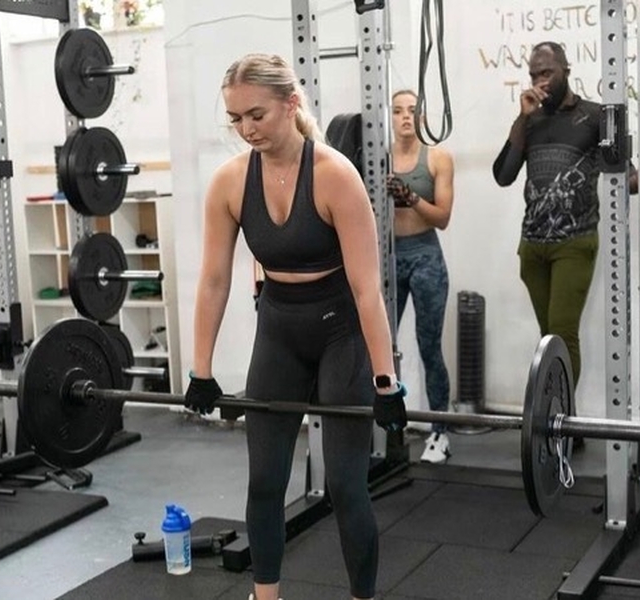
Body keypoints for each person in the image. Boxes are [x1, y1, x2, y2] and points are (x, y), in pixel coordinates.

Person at [183, 53, 407, 600]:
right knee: (264, 483)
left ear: (291, 103)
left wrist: (386, 381)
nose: (246, 129)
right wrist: (201, 370)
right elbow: (213, 280)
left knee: (346, 484)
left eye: (256, 114)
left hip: (341, 331)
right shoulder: (229, 183)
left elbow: (365, 289)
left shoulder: (335, 176)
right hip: (279, 329)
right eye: (236, 119)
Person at [492, 42, 638, 441]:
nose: (540, 80)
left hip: (575, 243)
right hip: (533, 246)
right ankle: (562, 421)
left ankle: (561, 424)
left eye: (547, 73)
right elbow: (503, 175)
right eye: (534, 73)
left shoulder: (592, 116)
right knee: (548, 339)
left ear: (566, 69)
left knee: (562, 332)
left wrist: (609, 172)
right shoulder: (531, 121)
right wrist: (521, 119)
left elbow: (632, 176)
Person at [387, 90, 455, 464]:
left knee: (429, 347)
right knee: (381, 349)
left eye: (412, 111)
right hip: (389, 258)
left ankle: (439, 433)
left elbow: (443, 217)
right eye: (398, 111)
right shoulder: (377, 156)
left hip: (426, 256)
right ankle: (388, 429)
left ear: (423, 116)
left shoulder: (438, 158)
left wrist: (409, 196)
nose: (405, 118)